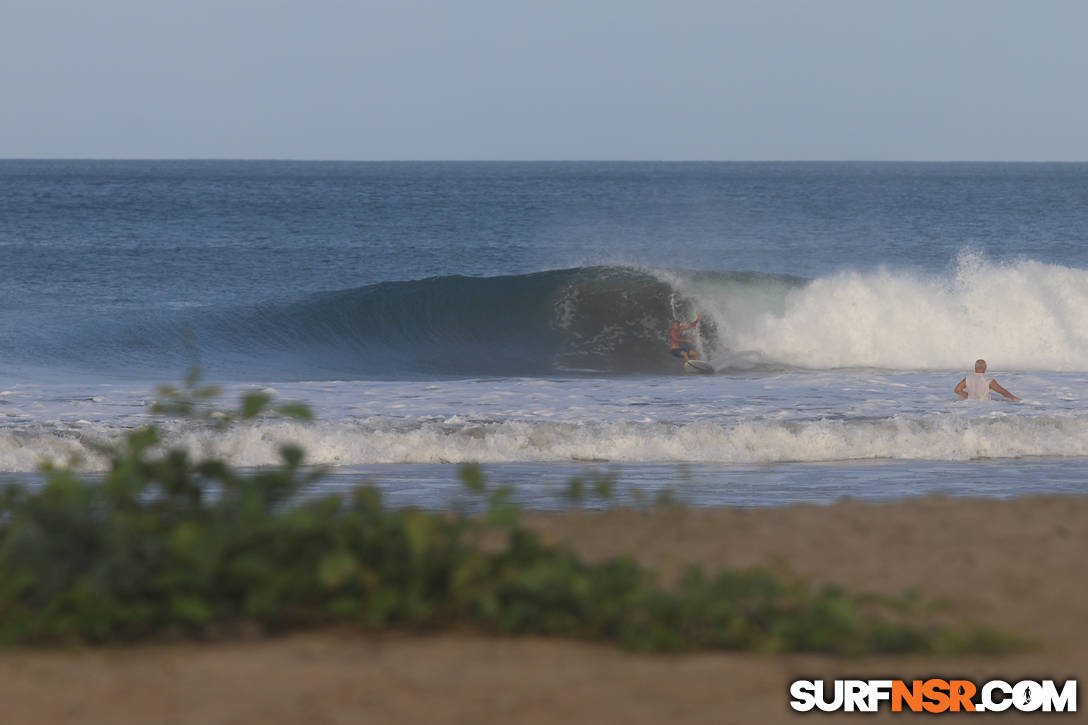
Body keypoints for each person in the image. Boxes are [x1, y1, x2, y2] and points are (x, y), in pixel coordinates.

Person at [954, 359, 1021, 401]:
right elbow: (1002, 392)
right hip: (985, 406)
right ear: (985, 367)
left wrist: (968, 396)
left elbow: (957, 390)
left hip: (971, 404)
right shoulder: (988, 380)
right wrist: (1013, 398)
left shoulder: (967, 378)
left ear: (975, 367)